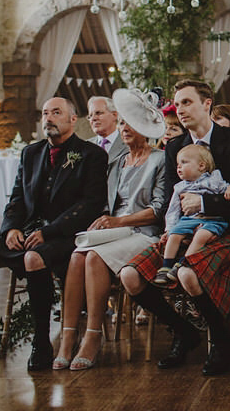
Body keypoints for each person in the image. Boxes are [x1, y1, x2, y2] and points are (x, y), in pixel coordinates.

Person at [0, 98, 107, 370]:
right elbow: (16, 197)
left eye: (56, 112)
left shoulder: (92, 155)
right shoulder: (31, 153)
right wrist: (10, 228)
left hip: (66, 235)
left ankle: (41, 342)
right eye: (45, 113)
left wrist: (48, 231)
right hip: (27, 231)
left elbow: (89, 205)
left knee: (32, 259)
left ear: (73, 119)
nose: (48, 118)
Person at [119, 79, 230, 377]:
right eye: (177, 103)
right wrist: (173, 229)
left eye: (187, 102)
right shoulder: (175, 147)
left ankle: (220, 340)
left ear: (207, 103)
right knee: (130, 275)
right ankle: (183, 331)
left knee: (187, 273)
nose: (180, 109)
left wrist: (205, 206)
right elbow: (173, 197)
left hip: (226, 231)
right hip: (182, 230)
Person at [54, 88, 167, 370]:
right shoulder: (116, 161)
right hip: (114, 230)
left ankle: (93, 335)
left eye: (131, 123)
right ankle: (68, 337)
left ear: (145, 128)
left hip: (144, 233)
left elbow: (158, 210)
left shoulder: (159, 159)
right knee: (77, 254)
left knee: (93, 256)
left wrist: (118, 221)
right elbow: (106, 203)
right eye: (123, 123)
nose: (125, 128)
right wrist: (103, 220)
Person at [153, 145, 230, 285]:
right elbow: (173, 210)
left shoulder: (214, 180)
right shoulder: (180, 187)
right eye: (178, 164)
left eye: (184, 162)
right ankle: (166, 266)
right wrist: (169, 229)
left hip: (212, 220)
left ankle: (184, 263)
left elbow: (226, 186)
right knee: (174, 235)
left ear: (201, 165)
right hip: (188, 219)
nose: (179, 167)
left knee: (201, 236)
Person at [87, 96, 127, 166]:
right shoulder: (85, 146)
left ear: (114, 115)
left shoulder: (128, 142)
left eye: (98, 113)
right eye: (90, 116)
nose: (93, 118)